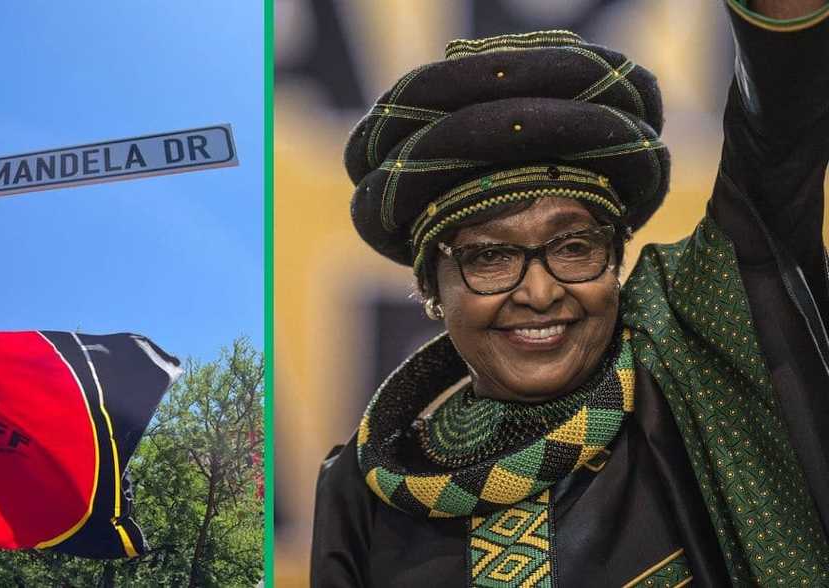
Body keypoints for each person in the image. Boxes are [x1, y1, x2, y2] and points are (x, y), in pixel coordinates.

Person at [312, 0, 829, 586]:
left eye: (573, 248)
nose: (539, 291)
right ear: (432, 287)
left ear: (616, 257)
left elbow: (780, 133)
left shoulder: (699, 354)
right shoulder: (360, 494)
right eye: (490, 257)